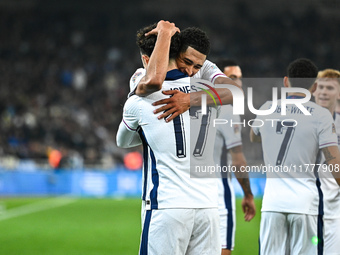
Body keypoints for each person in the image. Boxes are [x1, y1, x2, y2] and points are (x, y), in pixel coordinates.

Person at [117, 21, 221, 255]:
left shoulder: (139, 100)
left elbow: (122, 141)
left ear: (147, 59)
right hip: (208, 208)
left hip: (168, 206)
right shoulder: (209, 94)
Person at [250, 58, 340, 254]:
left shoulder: (266, 108)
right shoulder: (321, 115)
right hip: (305, 204)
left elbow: (253, 136)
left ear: (285, 81)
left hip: (272, 204)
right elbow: (334, 162)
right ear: (314, 87)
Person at [129, 23, 241, 122]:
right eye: (186, 62)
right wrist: (165, 33)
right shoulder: (143, 74)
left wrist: (189, 99)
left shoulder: (206, 67)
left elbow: (237, 92)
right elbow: (154, 81)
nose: (190, 71)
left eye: (197, 67)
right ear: (176, 52)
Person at [215, 59, 255, 255]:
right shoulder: (228, 110)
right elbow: (238, 160)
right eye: (232, 78)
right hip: (218, 195)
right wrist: (248, 194)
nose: (238, 83)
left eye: (239, 78)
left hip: (189, 194)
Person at [313, 68, 340, 255]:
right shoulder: (298, 121)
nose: (323, 92)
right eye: (320, 87)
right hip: (305, 207)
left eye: (329, 88)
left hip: (334, 211)